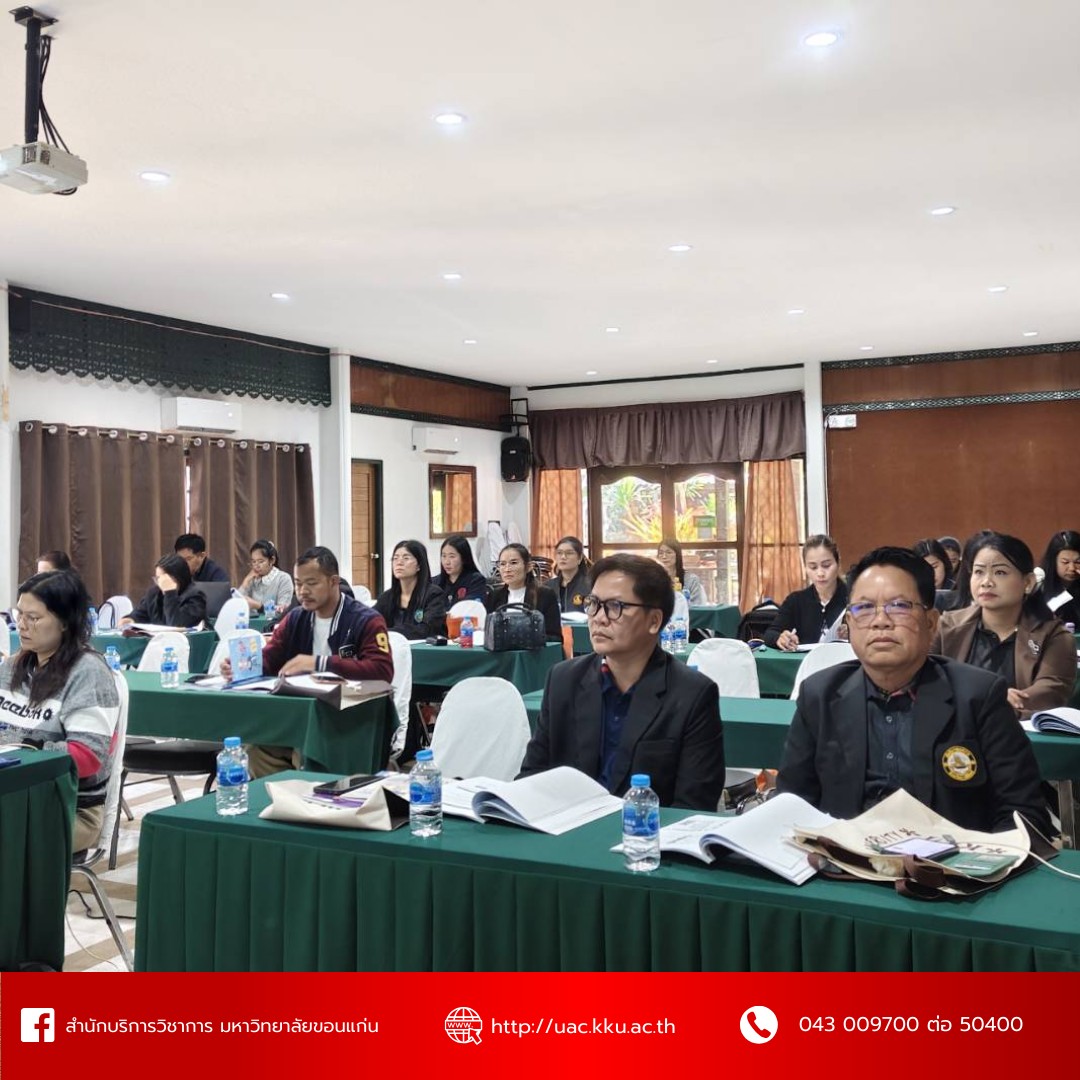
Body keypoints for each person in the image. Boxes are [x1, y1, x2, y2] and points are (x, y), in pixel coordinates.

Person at [777, 546, 1053, 836]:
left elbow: (1025, 814)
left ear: (931, 623)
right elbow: (792, 804)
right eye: (864, 608)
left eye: (899, 606)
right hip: (843, 859)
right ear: (848, 624)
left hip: (949, 861)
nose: (880, 621)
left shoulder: (979, 696)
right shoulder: (820, 695)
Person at [519, 553, 725, 809]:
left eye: (615, 606)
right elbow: (532, 778)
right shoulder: (563, 679)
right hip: (566, 827)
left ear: (654, 621)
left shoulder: (692, 694)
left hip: (647, 832)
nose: (599, 617)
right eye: (593, 603)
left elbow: (693, 807)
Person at [223, 546, 394, 777]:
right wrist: (242, 666)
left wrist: (319, 663)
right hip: (299, 716)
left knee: (306, 750)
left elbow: (382, 670)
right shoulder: (296, 618)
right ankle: (281, 792)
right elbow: (271, 658)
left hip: (350, 718)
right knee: (255, 748)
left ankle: (311, 790)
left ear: (333, 582)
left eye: (311, 583)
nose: (302, 591)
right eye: (298, 583)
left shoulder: (366, 620)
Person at [0, 570, 120, 852]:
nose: (22, 625)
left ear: (65, 622)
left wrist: (21, 748)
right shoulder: (13, 667)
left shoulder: (88, 672)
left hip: (67, 808)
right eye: (19, 615)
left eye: (33, 618)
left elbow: (88, 757)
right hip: (12, 796)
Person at [933, 532, 1076, 718]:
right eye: (979, 572)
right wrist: (991, 698)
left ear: (1028, 582)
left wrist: (999, 703)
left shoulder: (1053, 635)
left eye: (1000, 572)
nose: (986, 582)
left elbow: (1051, 689)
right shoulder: (948, 626)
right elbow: (927, 678)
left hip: (1018, 730)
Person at [763, 534, 848, 650]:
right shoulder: (796, 601)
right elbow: (770, 633)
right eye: (813, 567)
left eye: (826, 565)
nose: (820, 573)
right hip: (806, 660)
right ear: (805, 568)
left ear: (838, 563)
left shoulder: (854, 597)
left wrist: (854, 634)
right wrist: (780, 638)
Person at [484, 542, 561, 639]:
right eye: (502, 564)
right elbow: (488, 633)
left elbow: (555, 637)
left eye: (513, 563)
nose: (507, 569)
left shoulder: (545, 595)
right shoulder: (494, 596)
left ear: (528, 567)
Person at [374, 539, 447, 640]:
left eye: (406, 558)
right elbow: (370, 622)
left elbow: (425, 630)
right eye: (395, 558)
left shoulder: (433, 595)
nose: (399, 562)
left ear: (419, 565)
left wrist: (386, 632)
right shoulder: (386, 597)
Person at [123, 553, 207, 628]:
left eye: (165, 579)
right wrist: (130, 619)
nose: (161, 583)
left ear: (179, 577)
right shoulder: (154, 593)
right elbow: (140, 615)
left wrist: (170, 593)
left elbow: (176, 625)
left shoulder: (195, 597)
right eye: (158, 578)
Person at [431, 534, 489, 609]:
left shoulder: (476, 581)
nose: (446, 562)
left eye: (452, 556)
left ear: (463, 558)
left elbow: (472, 608)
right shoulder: (435, 583)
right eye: (444, 556)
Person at [237, 539, 295, 614]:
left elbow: (282, 611)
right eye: (254, 562)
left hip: (275, 621)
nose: (256, 566)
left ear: (272, 560)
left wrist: (259, 607)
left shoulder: (283, 579)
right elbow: (236, 604)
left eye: (261, 561)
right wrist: (246, 581)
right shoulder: (252, 579)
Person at [1039, 529, 1080, 628]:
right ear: (1053, 562)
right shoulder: (1040, 584)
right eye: (1065, 562)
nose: (1072, 568)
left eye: (1078, 562)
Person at [544, 535, 591, 614]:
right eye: (559, 553)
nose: (563, 557)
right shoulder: (547, 586)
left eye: (569, 553)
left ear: (579, 558)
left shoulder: (589, 585)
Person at [655, 538, 705, 605]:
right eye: (661, 553)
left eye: (668, 552)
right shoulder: (654, 580)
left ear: (677, 555)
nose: (664, 556)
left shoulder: (691, 580)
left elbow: (696, 605)